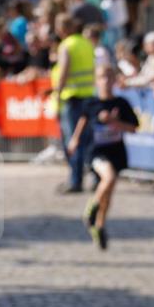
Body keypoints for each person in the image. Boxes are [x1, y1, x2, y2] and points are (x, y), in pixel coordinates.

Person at [66, 63, 138, 250]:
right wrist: (74, 140)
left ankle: (100, 225)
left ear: (114, 80)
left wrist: (115, 122)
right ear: (96, 81)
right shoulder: (91, 103)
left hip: (116, 151)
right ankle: (91, 209)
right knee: (109, 177)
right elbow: (82, 121)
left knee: (108, 190)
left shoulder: (121, 104)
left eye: (109, 77)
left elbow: (133, 128)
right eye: (101, 78)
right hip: (96, 151)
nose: (105, 81)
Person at [52, 13, 95, 194]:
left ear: (62, 28)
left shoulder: (66, 45)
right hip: (89, 96)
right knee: (87, 140)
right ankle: (94, 177)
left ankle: (75, 181)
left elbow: (64, 71)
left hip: (73, 98)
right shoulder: (86, 43)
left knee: (73, 140)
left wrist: (57, 94)